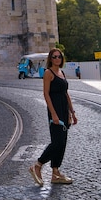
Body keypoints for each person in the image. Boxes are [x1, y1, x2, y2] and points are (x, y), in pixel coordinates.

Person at [29, 48, 78, 185]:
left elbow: (66, 93)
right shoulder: (48, 73)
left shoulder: (61, 73)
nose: (57, 59)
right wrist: (54, 114)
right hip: (55, 110)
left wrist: (72, 112)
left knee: (62, 143)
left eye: (59, 57)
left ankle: (56, 173)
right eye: (55, 57)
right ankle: (37, 165)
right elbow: (46, 94)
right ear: (50, 59)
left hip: (64, 110)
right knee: (56, 142)